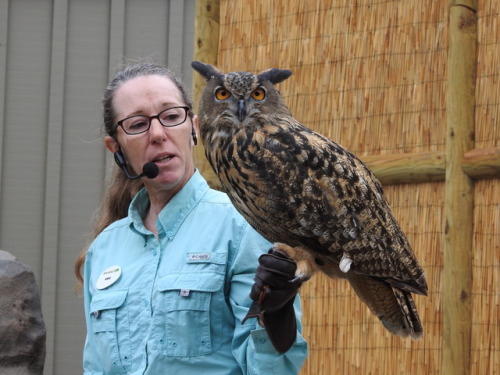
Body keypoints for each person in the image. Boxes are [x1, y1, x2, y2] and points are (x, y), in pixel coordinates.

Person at [74, 60, 308, 375]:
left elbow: (269, 369)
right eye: (138, 124)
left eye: (171, 117)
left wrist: (274, 318)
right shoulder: (104, 250)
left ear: (194, 128)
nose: (158, 133)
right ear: (116, 148)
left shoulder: (243, 227)